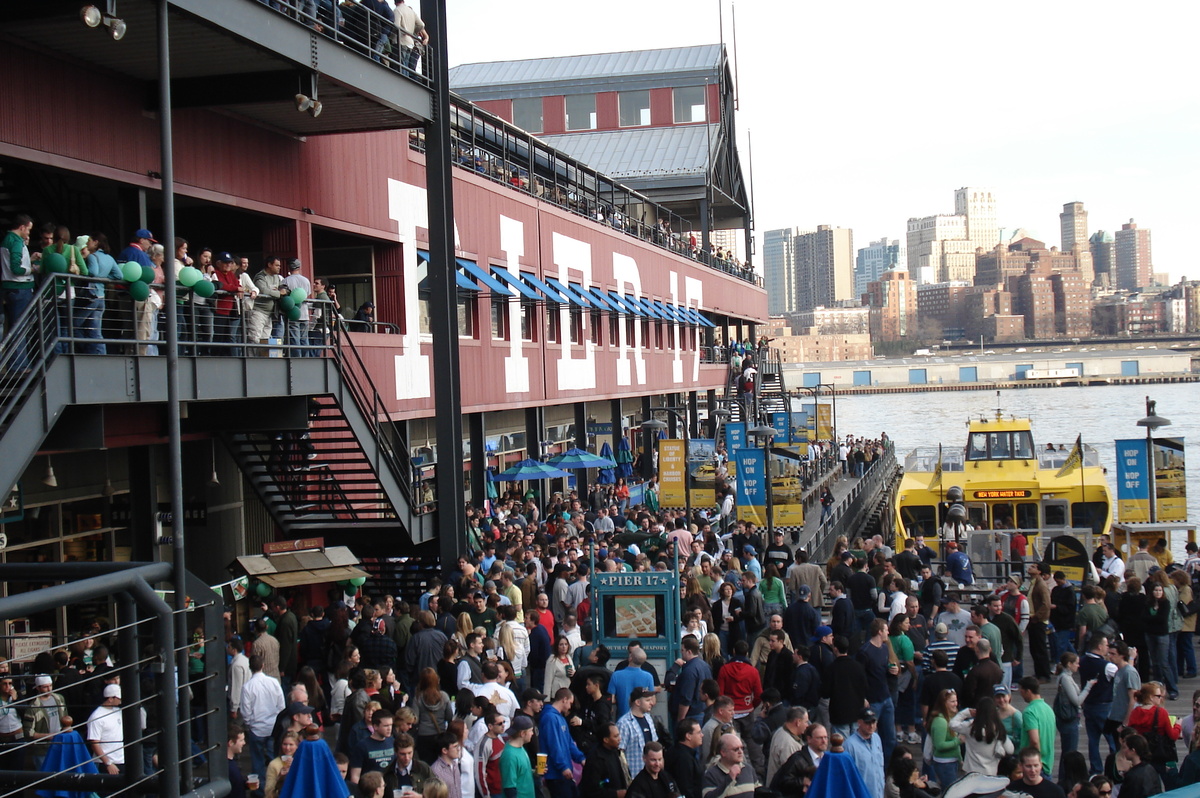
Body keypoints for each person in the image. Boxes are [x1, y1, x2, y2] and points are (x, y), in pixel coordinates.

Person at [241, 653, 286, 785]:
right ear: (263, 665)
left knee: (257, 762)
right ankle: (277, 786)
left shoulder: (248, 687)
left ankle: (260, 790)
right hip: (273, 726)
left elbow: (245, 711)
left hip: (257, 728)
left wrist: (250, 724)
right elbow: (281, 705)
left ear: (250, 667)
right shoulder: (273, 682)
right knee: (275, 760)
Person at [2, 214, 36, 370]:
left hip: (9, 289)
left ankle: (15, 362)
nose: (29, 233)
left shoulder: (7, 240)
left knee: (14, 327)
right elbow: (16, 268)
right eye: (28, 229)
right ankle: (19, 365)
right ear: (22, 227)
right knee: (20, 328)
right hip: (20, 288)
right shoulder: (16, 242)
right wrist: (33, 269)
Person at [950, 696, 1014, 776]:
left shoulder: (970, 727)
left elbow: (952, 724)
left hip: (971, 771)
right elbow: (1010, 750)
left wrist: (966, 712)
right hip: (991, 772)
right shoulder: (998, 729)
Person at [541, 687, 585, 798]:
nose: (570, 707)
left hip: (563, 772)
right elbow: (553, 745)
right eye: (570, 703)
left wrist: (581, 758)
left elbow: (569, 742)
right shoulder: (550, 718)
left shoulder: (560, 718)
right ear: (564, 700)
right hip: (555, 773)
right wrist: (563, 766)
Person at [581, 721, 631, 798]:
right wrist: (616, 794)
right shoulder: (595, 759)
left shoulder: (616, 753)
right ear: (606, 740)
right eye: (615, 736)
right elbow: (591, 790)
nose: (619, 739)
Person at [1019, 676, 1057, 777]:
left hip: (1036, 767)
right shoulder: (1048, 709)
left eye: (1021, 691)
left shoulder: (1030, 712)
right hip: (1048, 764)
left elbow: (1034, 741)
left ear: (1028, 691)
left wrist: (1035, 764)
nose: (1021, 694)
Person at [617, 687, 659, 778]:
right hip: (635, 774)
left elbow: (654, 744)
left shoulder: (649, 719)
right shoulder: (624, 723)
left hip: (651, 774)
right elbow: (620, 753)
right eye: (647, 700)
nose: (651, 703)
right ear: (638, 702)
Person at [87, 684, 128, 775]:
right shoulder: (97, 716)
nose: (121, 701)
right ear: (110, 699)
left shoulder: (118, 711)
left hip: (121, 760)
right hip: (105, 763)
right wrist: (108, 763)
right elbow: (94, 743)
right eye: (119, 698)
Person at [701, 733, 758, 798]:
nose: (740, 752)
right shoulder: (711, 774)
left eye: (742, 748)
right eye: (736, 749)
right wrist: (730, 779)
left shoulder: (748, 769)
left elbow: (758, 791)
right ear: (723, 752)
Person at [845, 709, 885, 798]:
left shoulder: (877, 738)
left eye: (873, 722)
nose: (871, 726)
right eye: (867, 723)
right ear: (859, 723)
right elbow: (847, 776)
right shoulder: (849, 745)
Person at [926, 688, 961, 788]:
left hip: (951, 762)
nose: (956, 704)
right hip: (945, 764)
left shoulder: (951, 718)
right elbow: (939, 745)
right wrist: (958, 741)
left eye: (956, 701)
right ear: (944, 703)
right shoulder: (940, 721)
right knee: (949, 791)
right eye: (952, 701)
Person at [664, 719, 705, 798]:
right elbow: (685, 788)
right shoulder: (683, 758)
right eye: (699, 732)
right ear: (688, 736)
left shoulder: (682, 752)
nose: (702, 735)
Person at [501, 714, 536, 798]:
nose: (532, 734)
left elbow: (520, 774)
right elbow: (509, 787)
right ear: (523, 733)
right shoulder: (510, 755)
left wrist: (535, 772)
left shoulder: (520, 748)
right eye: (531, 731)